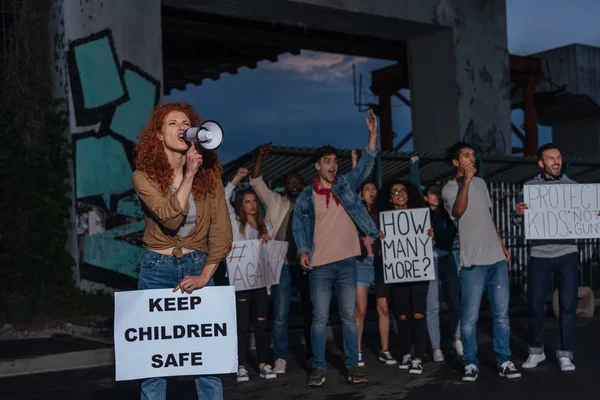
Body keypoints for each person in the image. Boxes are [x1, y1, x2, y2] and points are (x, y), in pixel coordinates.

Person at [132, 102, 232, 400]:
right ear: (159, 135)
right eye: (172, 123)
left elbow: (221, 231)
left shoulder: (210, 175)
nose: (181, 127)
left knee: (208, 362)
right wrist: (188, 175)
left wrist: (204, 275)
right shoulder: (144, 176)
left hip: (198, 266)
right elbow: (171, 217)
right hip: (156, 270)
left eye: (185, 122)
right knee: (153, 363)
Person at [293, 109, 380, 386]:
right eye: (327, 161)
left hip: (346, 262)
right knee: (319, 318)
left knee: (349, 317)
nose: (333, 165)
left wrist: (373, 136)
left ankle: (353, 366)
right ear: (317, 166)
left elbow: (365, 166)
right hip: (320, 265)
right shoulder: (306, 198)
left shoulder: (344, 185)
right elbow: (299, 230)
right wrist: (303, 252)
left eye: (335, 161)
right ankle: (318, 367)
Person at [441, 141, 521, 382]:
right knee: (469, 319)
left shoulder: (482, 183)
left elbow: (488, 217)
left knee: (501, 316)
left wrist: (502, 243)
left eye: (473, 155)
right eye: (466, 156)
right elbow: (458, 211)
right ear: (456, 162)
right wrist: (465, 182)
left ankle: (504, 360)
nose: (472, 159)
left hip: (495, 259)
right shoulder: (448, 188)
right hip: (472, 262)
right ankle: (470, 363)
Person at [512, 143, 578, 372]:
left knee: (568, 306)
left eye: (559, 157)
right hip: (539, 254)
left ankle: (565, 354)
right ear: (541, 163)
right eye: (551, 158)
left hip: (567, 253)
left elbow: (584, 220)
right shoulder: (529, 188)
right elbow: (518, 223)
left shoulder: (574, 187)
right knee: (535, 306)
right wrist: (518, 214)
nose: (556, 161)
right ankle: (536, 351)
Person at [249, 142, 313, 374]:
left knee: (312, 313)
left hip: (308, 266)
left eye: (297, 181)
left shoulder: (311, 204)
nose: (294, 184)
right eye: (290, 181)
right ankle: (280, 358)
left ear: (303, 185)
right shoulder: (275, 202)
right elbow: (256, 181)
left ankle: (312, 356)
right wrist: (259, 156)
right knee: (280, 315)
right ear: (284, 187)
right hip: (282, 266)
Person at [225, 168, 277, 382]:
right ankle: (241, 365)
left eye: (254, 201)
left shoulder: (268, 226)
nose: (252, 204)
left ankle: (263, 363)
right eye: (247, 201)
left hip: (260, 283)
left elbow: (271, 256)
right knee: (242, 325)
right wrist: (236, 178)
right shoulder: (236, 224)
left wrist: (268, 240)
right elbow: (222, 197)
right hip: (241, 283)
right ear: (241, 205)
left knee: (261, 323)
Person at [409, 156, 462, 362]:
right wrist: (413, 167)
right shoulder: (420, 212)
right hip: (427, 262)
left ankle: (457, 338)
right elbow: (413, 189)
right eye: (432, 193)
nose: (436, 197)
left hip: (447, 258)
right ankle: (436, 347)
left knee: (454, 302)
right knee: (432, 305)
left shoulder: (447, 214)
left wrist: (436, 236)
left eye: (438, 194)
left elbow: (450, 236)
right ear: (425, 196)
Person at [384, 180, 432, 375]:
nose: (400, 194)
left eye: (402, 190)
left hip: (419, 270)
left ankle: (418, 357)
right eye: (395, 192)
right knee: (403, 315)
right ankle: (405, 352)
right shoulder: (385, 220)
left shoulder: (420, 216)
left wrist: (430, 234)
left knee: (418, 314)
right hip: (398, 272)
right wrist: (382, 237)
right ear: (390, 198)